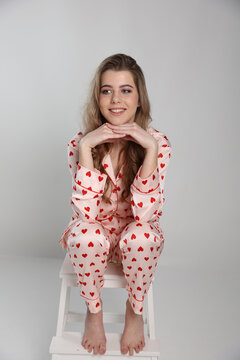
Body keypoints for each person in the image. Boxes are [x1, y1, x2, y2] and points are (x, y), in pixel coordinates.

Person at [59, 53, 172, 356]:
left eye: (126, 90)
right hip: (96, 238)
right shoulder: (80, 142)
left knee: (142, 234)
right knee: (85, 232)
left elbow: (146, 215)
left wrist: (148, 149)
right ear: (98, 98)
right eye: (106, 90)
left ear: (139, 99)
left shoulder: (157, 142)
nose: (115, 99)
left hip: (134, 241)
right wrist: (86, 147)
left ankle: (135, 312)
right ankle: (92, 313)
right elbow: (85, 214)